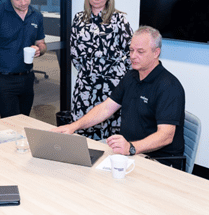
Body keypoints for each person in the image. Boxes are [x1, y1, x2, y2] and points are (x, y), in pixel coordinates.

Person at [55, 26, 185, 166]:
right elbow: (106, 108)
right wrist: (73, 126)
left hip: (157, 159)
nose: (133, 56)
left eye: (140, 51)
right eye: (131, 50)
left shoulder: (169, 86)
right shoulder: (131, 76)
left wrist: (131, 147)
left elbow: (166, 136)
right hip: (129, 151)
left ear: (156, 53)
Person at [69, 0, 133, 142]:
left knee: (110, 138)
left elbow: (131, 54)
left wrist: (120, 79)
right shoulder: (79, 19)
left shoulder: (119, 20)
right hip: (86, 86)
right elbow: (74, 54)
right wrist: (89, 72)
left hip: (111, 88)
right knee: (82, 133)